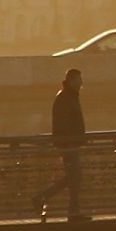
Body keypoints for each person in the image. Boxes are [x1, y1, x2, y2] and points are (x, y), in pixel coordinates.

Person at [31, 68, 87, 219]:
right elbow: (63, 124)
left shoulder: (69, 96)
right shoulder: (65, 97)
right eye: (79, 80)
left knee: (73, 177)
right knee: (75, 176)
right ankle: (72, 211)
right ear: (71, 80)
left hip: (70, 143)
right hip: (68, 145)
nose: (81, 83)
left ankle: (44, 199)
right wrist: (69, 143)